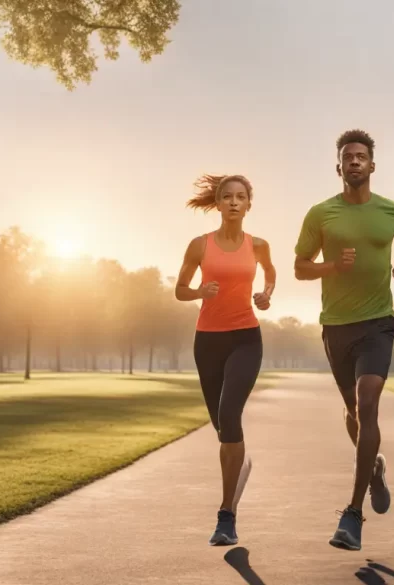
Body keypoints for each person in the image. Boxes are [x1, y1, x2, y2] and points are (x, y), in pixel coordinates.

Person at [293, 129, 394, 551]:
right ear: (339, 166)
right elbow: (299, 267)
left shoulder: (393, 211)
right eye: (348, 156)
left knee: (367, 403)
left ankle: (352, 515)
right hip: (337, 326)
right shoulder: (321, 214)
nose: (355, 161)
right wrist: (330, 267)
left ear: (372, 165)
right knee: (353, 412)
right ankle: (375, 467)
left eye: (361, 155)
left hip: (378, 323)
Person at [174, 173, 276, 547]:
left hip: (246, 338)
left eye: (241, 197)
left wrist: (265, 294)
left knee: (230, 415)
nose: (234, 202)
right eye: (227, 197)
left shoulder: (259, 245)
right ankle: (241, 464)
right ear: (217, 204)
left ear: (249, 204)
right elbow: (179, 290)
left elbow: (270, 274)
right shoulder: (199, 246)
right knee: (222, 427)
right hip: (208, 342)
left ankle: (226, 516)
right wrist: (201, 290)